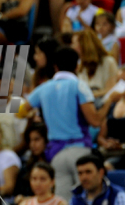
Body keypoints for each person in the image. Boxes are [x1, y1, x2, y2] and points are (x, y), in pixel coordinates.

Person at [17, 47, 125, 200]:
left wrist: (33, 113)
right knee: (90, 198)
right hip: (80, 152)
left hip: (56, 154)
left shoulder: (43, 89)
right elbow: (95, 121)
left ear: (55, 67)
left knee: (63, 201)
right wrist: (109, 101)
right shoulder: (79, 86)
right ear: (77, 66)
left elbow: (19, 111)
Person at [71, 29, 118, 100]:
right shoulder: (80, 65)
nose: (72, 47)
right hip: (87, 104)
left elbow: (111, 89)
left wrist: (89, 95)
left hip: (104, 103)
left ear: (84, 45)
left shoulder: (108, 62)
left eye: (74, 43)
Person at [15, 123, 49, 197]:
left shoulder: (55, 163)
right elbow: (19, 193)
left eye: (36, 139)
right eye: (30, 140)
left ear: (46, 139)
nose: (32, 144)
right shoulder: (26, 167)